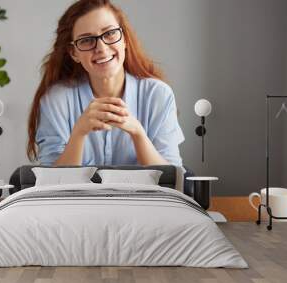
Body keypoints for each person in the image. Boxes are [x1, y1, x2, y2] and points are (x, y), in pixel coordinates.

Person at [27, 0, 184, 167]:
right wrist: (79, 133)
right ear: (74, 53)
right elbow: (51, 184)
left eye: (109, 33)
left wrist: (138, 134)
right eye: (86, 40)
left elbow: (174, 182)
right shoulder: (56, 100)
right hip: (77, 195)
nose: (101, 48)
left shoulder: (158, 94)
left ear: (124, 39)